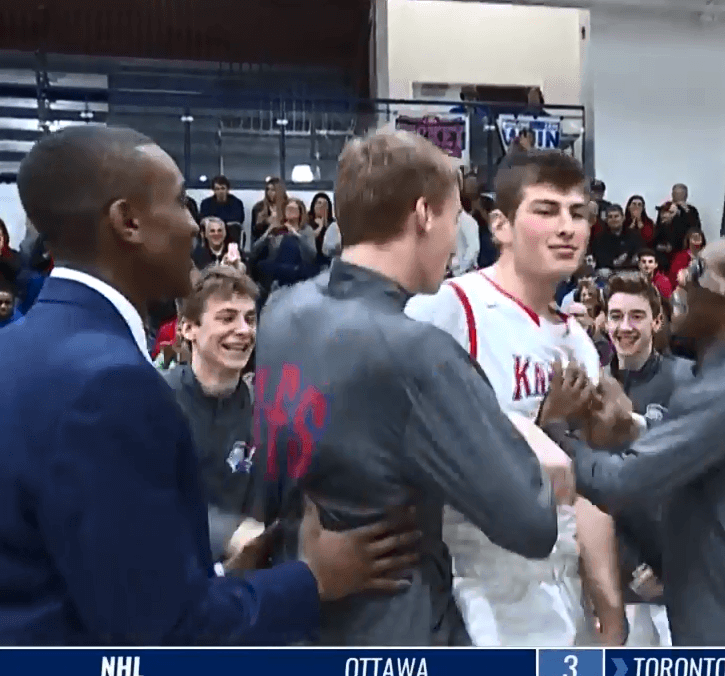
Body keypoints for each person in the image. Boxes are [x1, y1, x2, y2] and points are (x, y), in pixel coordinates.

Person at [0, 125, 419, 645]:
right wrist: (314, 580)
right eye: (180, 204)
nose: (196, 227)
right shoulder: (110, 385)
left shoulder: (16, 348)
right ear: (127, 221)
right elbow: (165, 631)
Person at [252, 129, 567, 646]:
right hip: (394, 638)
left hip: (302, 617)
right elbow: (530, 523)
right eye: (454, 220)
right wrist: (533, 431)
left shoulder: (281, 310)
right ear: (424, 214)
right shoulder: (416, 351)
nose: (457, 241)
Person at [541, 234, 725, 646]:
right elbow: (695, 453)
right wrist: (628, 428)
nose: (684, 277)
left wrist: (553, 431)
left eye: (701, 271)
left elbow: (619, 484)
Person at [404, 149, 627, 647]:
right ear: (500, 226)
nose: (567, 227)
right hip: (476, 579)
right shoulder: (448, 308)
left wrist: (609, 605)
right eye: (546, 210)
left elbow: (585, 493)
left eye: (578, 213)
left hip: (563, 580)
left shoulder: (580, 344)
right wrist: (532, 429)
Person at [601, 271, 696, 646]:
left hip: (684, 576)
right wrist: (632, 564)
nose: (625, 327)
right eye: (616, 316)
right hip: (625, 576)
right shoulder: (594, 387)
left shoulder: (686, 382)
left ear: (657, 321)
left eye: (637, 316)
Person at [164, 266, 260, 561]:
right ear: (188, 328)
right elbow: (144, 500)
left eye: (251, 319)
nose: (244, 330)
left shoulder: (264, 408)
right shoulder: (156, 399)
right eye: (227, 318)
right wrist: (229, 533)